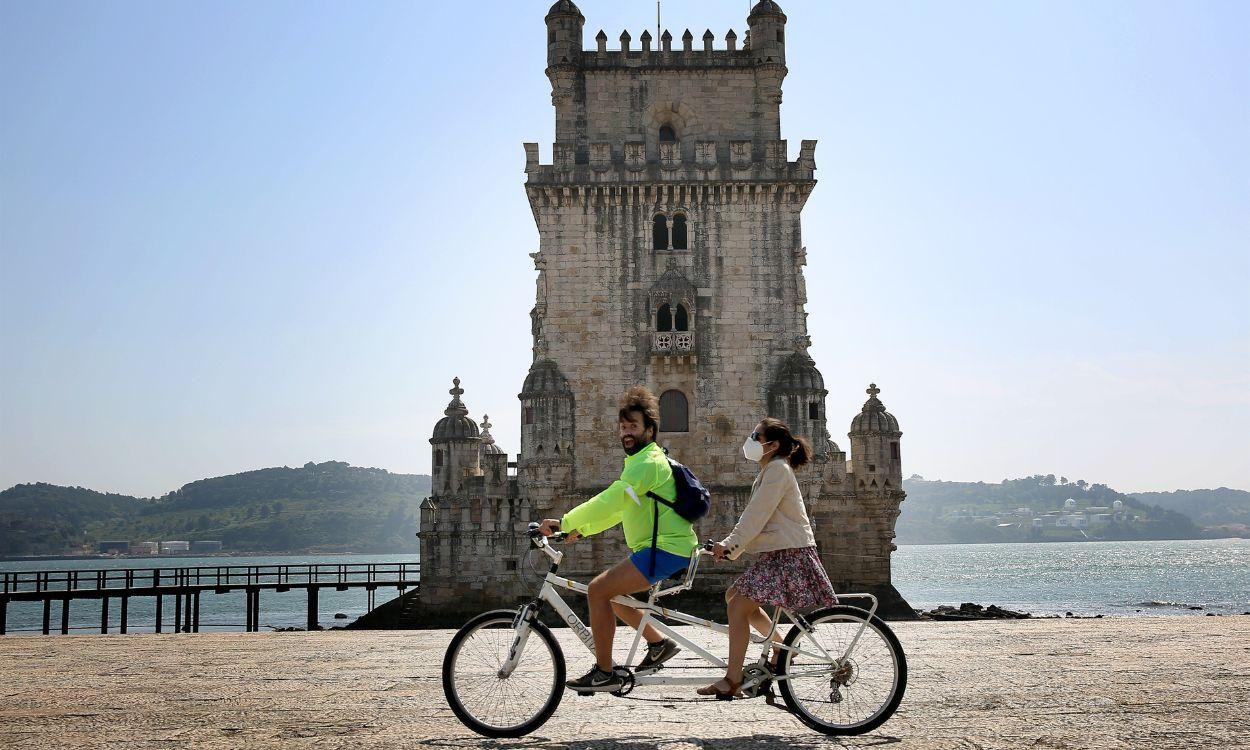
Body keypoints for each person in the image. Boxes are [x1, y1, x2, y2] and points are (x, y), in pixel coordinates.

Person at [538, 386, 699, 693]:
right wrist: (580, 530)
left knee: (598, 590)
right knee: (612, 595)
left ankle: (604, 671)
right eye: (623, 427)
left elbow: (612, 499)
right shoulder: (640, 462)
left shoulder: (647, 463)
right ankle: (658, 644)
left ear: (649, 430)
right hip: (664, 549)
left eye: (633, 426)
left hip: (665, 550)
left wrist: (567, 520)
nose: (626, 432)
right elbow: (619, 511)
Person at [698, 416, 838, 698]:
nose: (750, 441)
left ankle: (732, 679)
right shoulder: (773, 469)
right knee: (734, 594)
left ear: (772, 445)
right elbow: (758, 518)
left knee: (738, 606)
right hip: (783, 553)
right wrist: (731, 549)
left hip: (791, 555)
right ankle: (780, 646)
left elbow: (756, 516)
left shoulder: (776, 471)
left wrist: (729, 545)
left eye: (755, 436)